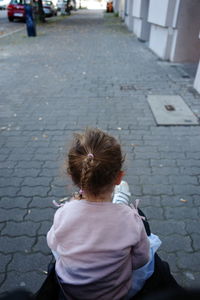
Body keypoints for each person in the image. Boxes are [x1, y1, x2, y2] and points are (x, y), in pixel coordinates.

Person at [46, 128, 153, 299]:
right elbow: (141, 259)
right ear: (119, 178)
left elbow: (53, 244)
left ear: (72, 176)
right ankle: (120, 200)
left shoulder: (63, 213)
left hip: (71, 293)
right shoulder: (130, 219)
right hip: (116, 293)